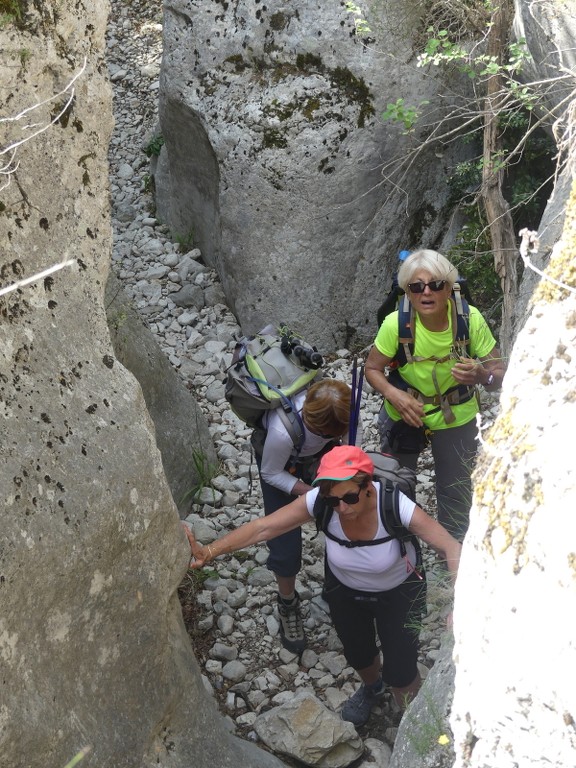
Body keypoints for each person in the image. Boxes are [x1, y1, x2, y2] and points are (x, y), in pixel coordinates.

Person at [183, 445, 461, 728]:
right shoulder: (320, 500)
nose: (342, 508)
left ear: (368, 486)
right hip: (345, 590)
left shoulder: (394, 504)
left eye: (350, 498)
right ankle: (373, 688)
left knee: (401, 668)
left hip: (400, 591)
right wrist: (209, 551)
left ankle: (414, 722)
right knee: (358, 653)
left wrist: (460, 604)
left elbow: (451, 547)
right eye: (333, 502)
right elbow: (264, 528)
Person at [365, 249, 506, 540]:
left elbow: (499, 374)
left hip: (457, 415)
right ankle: (401, 553)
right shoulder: (396, 323)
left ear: (449, 287)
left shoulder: (470, 320)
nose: (426, 292)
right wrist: (395, 395)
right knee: (395, 487)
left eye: (435, 284)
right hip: (404, 412)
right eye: (416, 286)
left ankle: (452, 563)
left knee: (455, 492)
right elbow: (372, 369)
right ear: (408, 291)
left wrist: (481, 375)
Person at [252, 378, 353, 654]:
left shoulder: (346, 410)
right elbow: (270, 473)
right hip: (281, 467)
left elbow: (352, 448)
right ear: (314, 425)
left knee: (343, 520)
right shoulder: (282, 431)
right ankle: (287, 602)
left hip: (320, 458)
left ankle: (335, 588)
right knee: (284, 540)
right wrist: (311, 494)